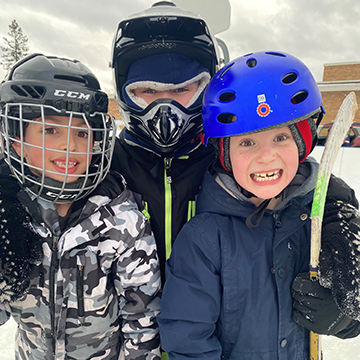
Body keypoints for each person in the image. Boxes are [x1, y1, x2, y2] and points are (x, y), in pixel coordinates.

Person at [157, 51, 360, 359]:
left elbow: (353, 305)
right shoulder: (205, 239)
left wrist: (342, 318)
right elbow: (187, 340)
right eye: (247, 142)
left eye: (280, 137)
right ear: (225, 154)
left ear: (302, 144)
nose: (266, 156)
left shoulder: (321, 218)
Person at [0, 54, 161, 359]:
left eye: (82, 133)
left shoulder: (120, 220)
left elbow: (142, 317)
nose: (69, 145)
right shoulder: (11, 213)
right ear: (16, 141)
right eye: (50, 130)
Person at [110, 0, 223, 283]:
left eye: (181, 89)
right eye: (148, 90)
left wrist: (334, 216)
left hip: (207, 322)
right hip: (128, 323)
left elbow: (293, 178)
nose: (165, 106)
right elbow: (37, 177)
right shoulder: (102, 162)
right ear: (127, 94)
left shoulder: (226, 158)